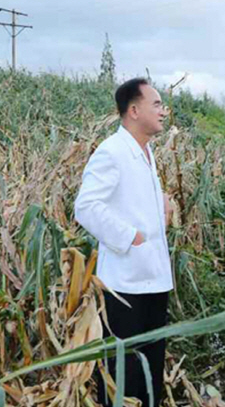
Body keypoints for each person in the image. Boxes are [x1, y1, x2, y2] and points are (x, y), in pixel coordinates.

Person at [75, 78, 172, 407]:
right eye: (156, 104)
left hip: (153, 279)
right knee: (124, 374)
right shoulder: (112, 151)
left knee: (150, 370)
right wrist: (131, 237)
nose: (163, 111)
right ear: (133, 110)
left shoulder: (145, 152)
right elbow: (86, 207)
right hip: (125, 286)